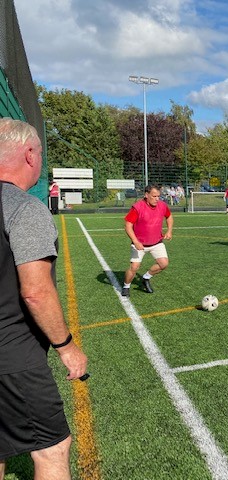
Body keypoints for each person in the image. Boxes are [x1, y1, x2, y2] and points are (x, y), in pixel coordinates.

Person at [0, 118, 88, 479]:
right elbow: (35, 291)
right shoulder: (24, 208)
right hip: (13, 355)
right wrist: (67, 347)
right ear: (29, 154)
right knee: (52, 449)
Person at [121, 185, 173, 296]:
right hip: (139, 244)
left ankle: (146, 278)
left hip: (157, 242)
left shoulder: (162, 206)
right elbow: (128, 225)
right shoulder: (137, 207)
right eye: (154, 196)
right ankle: (126, 286)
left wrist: (169, 231)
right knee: (134, 267)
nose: (157, 199)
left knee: (163, 264)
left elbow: (169, 216)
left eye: (158, 196)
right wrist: (135, 241)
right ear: (146, 195)